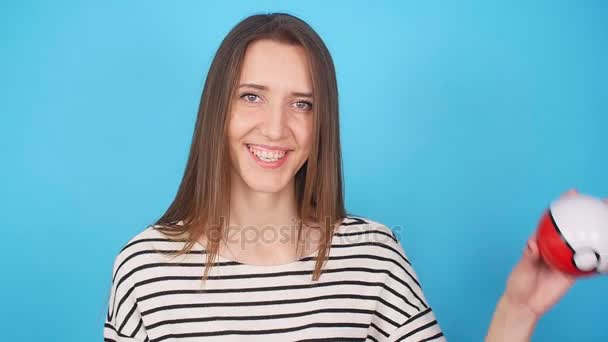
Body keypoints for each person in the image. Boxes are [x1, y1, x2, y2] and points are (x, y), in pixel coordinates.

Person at [103, 13, 586, 342]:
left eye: (302, 104)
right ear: (217, 110)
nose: (275, 127)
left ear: (322, 123)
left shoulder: (372, 255)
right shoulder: (145, 269)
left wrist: (517, 311)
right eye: (251, 96)